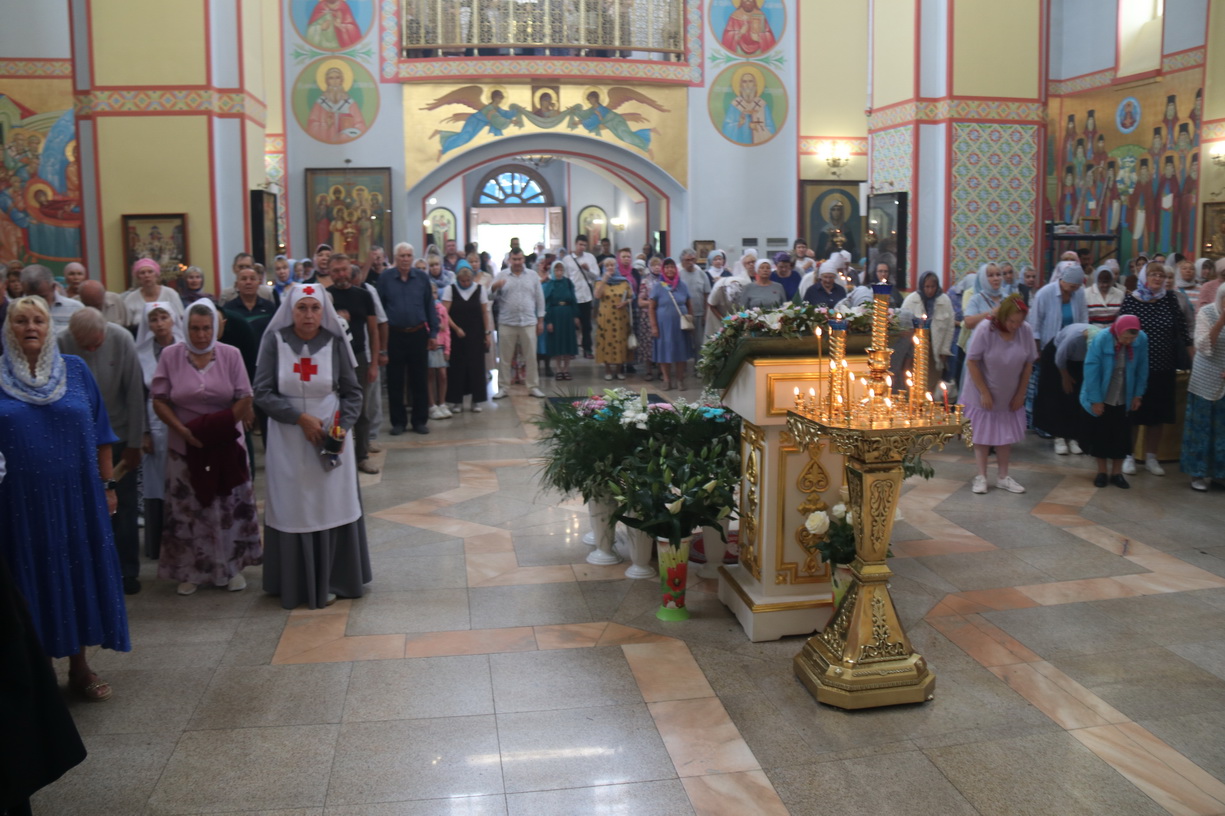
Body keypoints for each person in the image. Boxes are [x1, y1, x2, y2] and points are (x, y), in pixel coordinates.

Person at [0, 297, 129, 702]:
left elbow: (102, 433)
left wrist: (108, 486)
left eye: (38, 320)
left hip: (77, 498)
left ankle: (79, 667)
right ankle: (38, 672)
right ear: (8, 329)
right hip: (18, 503)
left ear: (49, 327)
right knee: (29, 577)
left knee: (76, 573)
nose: (31, 327)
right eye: (21, 320)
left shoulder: (74, 370)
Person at [254, 283, 370, 609]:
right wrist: (298, 418)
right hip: (288, 438)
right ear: (290, 311)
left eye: (315, 308)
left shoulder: (335, 342)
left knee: (330, 503)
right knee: (293, 506)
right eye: (302, 308)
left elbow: (352, 392)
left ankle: (335, 577)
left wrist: (341, 429)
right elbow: (261, 391)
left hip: (330, 436)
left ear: (324, 311)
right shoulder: (275, 341)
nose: (308, 315)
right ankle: (295, 581)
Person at [151, 300, 261, 595]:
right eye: (195, 329)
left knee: (227, 506)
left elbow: (244, 396)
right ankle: (190, 571)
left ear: (215, 328)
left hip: (225, 443)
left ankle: (232, 567)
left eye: (206, 328)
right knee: (189, 508)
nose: (201, 335)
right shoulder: (171, 355)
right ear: (185, 328)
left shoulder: (230, 354)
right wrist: (183, 431)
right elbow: (159, 399)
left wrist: (218, 429)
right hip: (184, 445)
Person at [58, 308, 146, 595]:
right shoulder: (61, 342)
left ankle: (127, 571)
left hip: (119, 436)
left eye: (96, 344)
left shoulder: (121, 339)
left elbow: (134, 393)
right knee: (85, 508)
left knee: (124, 508)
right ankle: (94, 571)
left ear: (104, 331)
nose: (92, 351)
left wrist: (135, 443)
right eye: (85, 347)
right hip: (79, 441)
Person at [1118, 263, 1194, 476]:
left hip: (1164, 366)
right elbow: (1121, 330)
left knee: (1157, 415)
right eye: (1153, 274)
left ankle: (1152, 457)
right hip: (1136, 366)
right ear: (1144, 276)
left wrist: (1192, 357)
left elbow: (1183, 331)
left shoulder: (1170, 299)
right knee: (1133, 413)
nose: (1158, 279)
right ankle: (1129, 455)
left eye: (1162, 275)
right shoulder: (1132, 299)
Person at [961, 295, 1036, 494]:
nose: (1015, 326)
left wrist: (1021, 394)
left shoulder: (1025, 331)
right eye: (1011, 321)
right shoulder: (986, 329)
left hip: (1008, 392)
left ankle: (1003, 477)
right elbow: (972, 362)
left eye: (1019, 322)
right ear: (1002, 317)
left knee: (1005, 435)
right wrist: (984, 392)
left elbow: (1028, 364)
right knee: (982, 435)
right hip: (981, 389)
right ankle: (981, 476)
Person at [134, 301, 182, 562]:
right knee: (156, 485)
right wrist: (143, 432)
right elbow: (137, 396)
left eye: (164, 317)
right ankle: (158, 545)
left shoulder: (186, 348)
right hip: (154, 426)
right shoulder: (139, 354)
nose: (160, 323)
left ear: (173, 319)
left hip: (184, 422)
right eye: (154, 319)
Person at [377, 243, 438, 435]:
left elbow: (429, 306)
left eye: (408, 255)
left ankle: (419, 420)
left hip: (418, 333)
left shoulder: (421, 277)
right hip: (394, 334)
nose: (405, 259)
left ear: (413, 257)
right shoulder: (385, 278)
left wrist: (433, 333)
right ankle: (398, 422)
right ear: (396, 258)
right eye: (402, 255)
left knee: (419, 378)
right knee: (395, 380)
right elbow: (379, 309)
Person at [327, 254, 381, 471]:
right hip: (331, 358)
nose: (341, 274)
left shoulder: (364, 295)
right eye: (336, 271)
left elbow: (374, 331)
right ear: (329, 273)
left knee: (360, 409)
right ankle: (333, 451)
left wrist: (374, 363)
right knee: (333, 408)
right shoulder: (325, 297)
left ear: (350, 270)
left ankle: (361, 456)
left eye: (344, 269)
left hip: (358, 358)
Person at [1081, 316, 1148, 488]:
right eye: (1125, 338)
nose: (1128, 342)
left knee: (1122, 435)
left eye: (1132, 338)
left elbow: (1142, 367)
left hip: (1125, 394)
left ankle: (1117, 473)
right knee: (1101, 434)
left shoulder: (1141, 339)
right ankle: (1102, 472)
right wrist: (1096, 400)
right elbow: (1091, 369)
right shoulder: (1102, 339)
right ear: (1118, 331)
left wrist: (1138, 395)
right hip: (1104, 393)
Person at [1181, 283, 1225, 491]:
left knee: (1222, 429)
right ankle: (1197, 474)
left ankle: (1219, 474)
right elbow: (1203, 345)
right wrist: (1221, 321)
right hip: (1205, 378)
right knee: (1201, 427)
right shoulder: (1207, 313)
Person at [491, 248, 546, 399]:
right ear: (509, 260)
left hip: (528, 321)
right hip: (507, 322)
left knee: (531, 357)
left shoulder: (532, 275)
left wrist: (540, 320)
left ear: (524, 259)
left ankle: (533, 387)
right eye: (514, 259)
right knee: (505, 358)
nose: (517, 262)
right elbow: (490, 297)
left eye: (520, 259)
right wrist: (495, 287)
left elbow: (540, 299)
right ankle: (503, 387)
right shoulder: (502, 275)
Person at [1034, 322, 1094, 456]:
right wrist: (1065, 376)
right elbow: (1059, 358)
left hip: (1077, 361)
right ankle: (1059, 436)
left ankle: (1072, 436)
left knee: (1075, 394)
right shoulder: (1074, 338)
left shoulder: (1101, 338)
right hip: (1055, 356)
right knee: (1058, 393)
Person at [443, 262, 492, 413]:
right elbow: (444, 313)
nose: (465, 283)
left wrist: (487, 333)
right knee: (457, 367)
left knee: (476, 367)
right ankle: (457, 401)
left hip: (476, 334)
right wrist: (456, 328)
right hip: (456, 334)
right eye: (462, 281)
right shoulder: (450, 289)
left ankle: (476, 400)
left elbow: (484, 313)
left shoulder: (479, 289)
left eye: (468, 281)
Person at [899, 271, 955, 390]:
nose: (930, 290)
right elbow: (902, 323)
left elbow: (950, 327)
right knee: (914, 382)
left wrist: (945, 350)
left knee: (932, 384)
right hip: (914, 351)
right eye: (927, 287)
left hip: (935, 350)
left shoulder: (945, 301)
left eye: (933, 287)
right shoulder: (911, 300)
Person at [649, 257, 694, 390]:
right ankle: (666, 380)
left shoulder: (682, 285)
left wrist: (690, 321)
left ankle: (680, 380)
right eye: (667, 267)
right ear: (663, 269)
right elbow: (651, 308)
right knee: (665, 352)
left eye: (672, 267)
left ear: (676, 269)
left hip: (680, 326)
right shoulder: (658, 287)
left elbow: (689, 305)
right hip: (663, 326)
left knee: (681, 352)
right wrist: (654, 326)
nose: (670, 270)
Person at [594, 256, 633, 380]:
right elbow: (597, 295)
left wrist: (625, 302)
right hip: (606, 316)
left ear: (616, 267)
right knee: (606, 341)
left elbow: (631, 297)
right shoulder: (600, 281)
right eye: (607, 266)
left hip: (621, 316)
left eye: (612, 265)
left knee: (620, 342)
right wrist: (605, 279)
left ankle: (619, 370)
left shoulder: (624, 281)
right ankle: (608, 370)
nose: (610, 267)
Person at [562, 235, 599, 359]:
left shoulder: (590, 258)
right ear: (575, 244)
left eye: (584, 245)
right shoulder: (567, 259)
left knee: (586, 325)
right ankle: (571, 350)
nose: (582, 247)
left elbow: (596, 275)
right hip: (573, 296)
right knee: (571, 325)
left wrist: (588, 270)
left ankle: (587, 349)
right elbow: (565, 278)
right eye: (580, 244)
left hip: (586, 296)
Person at [20, 264, 83, 335]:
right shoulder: (14, 312)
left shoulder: (75, 309)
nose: (37, 303)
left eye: (42, 297)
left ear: (53, 287)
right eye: (30, 298)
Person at [122, 258, 183, 329]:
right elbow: (127, 325)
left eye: (150, 272)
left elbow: (180, 318)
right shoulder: (130, 298)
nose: (146, 275)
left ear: (156, 275)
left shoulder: (170, 294)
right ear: (138, 277)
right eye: (142, 273)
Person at [426, 282, 455, 418]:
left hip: (442, 346)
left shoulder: (441, 309)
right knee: (430, 375)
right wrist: (436, 327)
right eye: (430, 293)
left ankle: (442, 403)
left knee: (443, 375)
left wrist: (447, 350)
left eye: (434, 292)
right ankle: (432, 405)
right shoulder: (424, 308)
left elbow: (446, 330)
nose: (433, 295)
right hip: (429, 346)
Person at [677, 249, 711, 351]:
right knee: (683, 343)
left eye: (692, 259)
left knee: (699, 343)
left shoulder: (702, 274)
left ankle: (699, 361)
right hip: (683, 315)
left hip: (699, 314)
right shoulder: (678, 276)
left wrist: (706, 314)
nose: (690, 262)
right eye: (687, 260)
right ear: (682, 261)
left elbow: (707, 295)